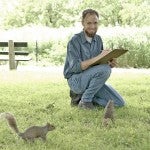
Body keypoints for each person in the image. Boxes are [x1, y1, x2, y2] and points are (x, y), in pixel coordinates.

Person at [63, 9, 125, 109]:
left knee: (119, 103)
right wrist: (101, 57)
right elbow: (75, 67)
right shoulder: (74, 40)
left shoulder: (98, 39)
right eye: (89, 23)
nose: (92, 26)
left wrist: (110, 63)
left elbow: (98, 65)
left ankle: (83, 98)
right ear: (82, 23)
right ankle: (85, 101)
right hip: (76, 80)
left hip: (91, 79)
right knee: (105, 69)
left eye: (95, 23)